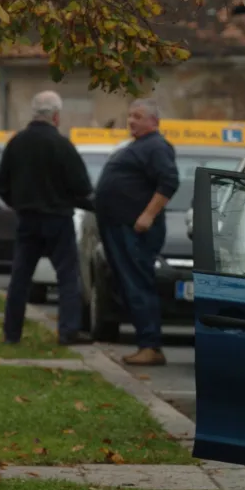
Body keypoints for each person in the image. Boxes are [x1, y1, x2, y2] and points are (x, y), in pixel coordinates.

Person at [0, 91, 94, 346]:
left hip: (27, 219)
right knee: (67, 276)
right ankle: (68, 330)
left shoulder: (16, 143)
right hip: (58, 219)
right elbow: (82, 186)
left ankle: (12, 333)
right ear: (56, 116)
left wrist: (19, 204)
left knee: (20, 277)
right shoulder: (62, 146)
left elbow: (3, 185)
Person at [94, 99, 178, 366]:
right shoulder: (136, 146)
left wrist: (148, 214)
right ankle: (146, 343)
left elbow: (169, 182)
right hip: (117, 226)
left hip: (135, 230)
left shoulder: (156, 146)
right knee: (128, 285)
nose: (131, 121)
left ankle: (150, 345)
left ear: (154, 121)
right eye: (130, 116)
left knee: (138, 284)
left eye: (138, 116)